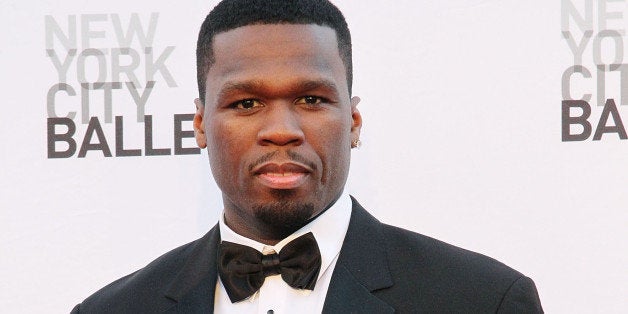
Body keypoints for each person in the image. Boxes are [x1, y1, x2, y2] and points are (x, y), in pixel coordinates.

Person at [71, 0, 544, 313]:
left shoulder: (482, 301)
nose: (281, 130)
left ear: (354, 122)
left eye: (311, 100)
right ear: (199, 125)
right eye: (246, 103)